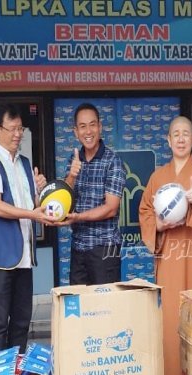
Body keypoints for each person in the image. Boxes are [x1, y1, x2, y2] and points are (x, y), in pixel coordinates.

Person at [139, 116, 192, 375]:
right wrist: (158, 226)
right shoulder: (157, 177)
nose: (181, 139)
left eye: (186, 133)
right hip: (170, 257)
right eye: (176, 134)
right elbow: (145, 212)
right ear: (168, 141)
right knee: (171, 315)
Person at [0, 104, 54, 354]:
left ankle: (17, 373)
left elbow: (31, 206)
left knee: (21, 321)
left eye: (21, 128)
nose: (18, 134)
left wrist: (39, 192)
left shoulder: (24, 163)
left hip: (24, 257)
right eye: (12, 129)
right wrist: (33, 213)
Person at [64, 103, 126, 285]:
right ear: (76, 131)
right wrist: (71, 175)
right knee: (79, 308)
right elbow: (64, 199)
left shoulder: (113, 161)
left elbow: (110, 209)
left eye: (92, 125)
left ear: (100, 127)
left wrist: (78, 217)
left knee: (105, 309)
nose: (88, 131)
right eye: (82, 126)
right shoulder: (72, 160)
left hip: (105, 248)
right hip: (79, 248)